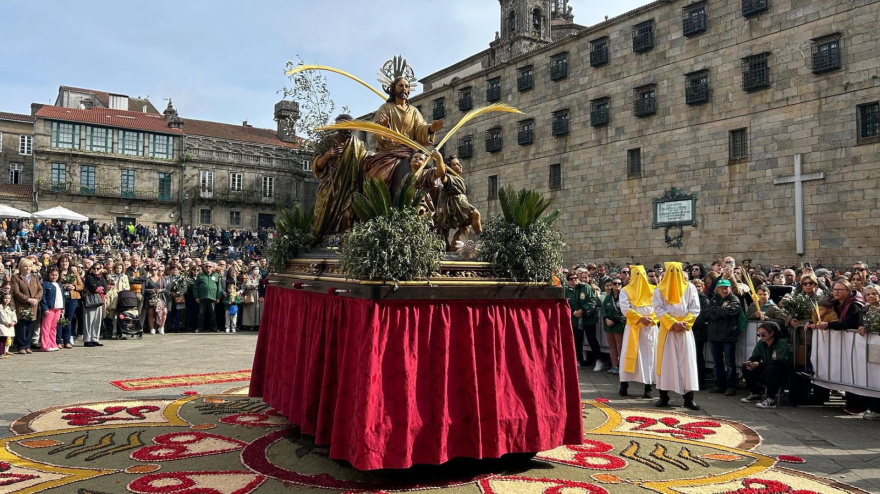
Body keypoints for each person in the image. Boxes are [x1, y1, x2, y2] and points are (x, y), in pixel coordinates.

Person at [363, 75, 444, 198]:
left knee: (434, 181)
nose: (404, 88)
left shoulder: (414, 111)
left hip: (410, 152)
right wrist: (384, 127)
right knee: (379, 178)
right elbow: (377, 130)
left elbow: (420, 129)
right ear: (394, 89)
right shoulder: (385, 108)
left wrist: (430, 129)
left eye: (407, 86)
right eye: (401, 85)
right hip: (390, 152)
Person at [310, 114, 368, 244]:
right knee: (322, 214)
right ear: (338, 127)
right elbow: (316, 166)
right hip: (330, 186)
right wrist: (327, 155)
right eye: (344, 127)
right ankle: (316, 238)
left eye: (350, 127)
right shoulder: (327, 142)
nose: (348, 130)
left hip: (349, 186)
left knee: (347, 215)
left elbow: (364, 161)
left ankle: (345, 243)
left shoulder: (358, 145)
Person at [652, 262, 701, 410]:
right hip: (668, 331)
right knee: (666, 362)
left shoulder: (690, 288)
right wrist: (672, 323)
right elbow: (658, 308)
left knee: (687, 363)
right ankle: (663, 395)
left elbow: (695, 307)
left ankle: (689, 397)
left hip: (684, 331)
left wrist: (685, 323)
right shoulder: (659, 289)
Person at [815, 279, 866, 414]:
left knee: (856, 373)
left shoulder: (854, 305)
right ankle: (851, 403)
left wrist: (829, 325)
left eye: (839, 290)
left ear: (848, 291)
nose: (836, 292)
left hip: (856, 343)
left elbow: (848, 324)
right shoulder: (837, 304)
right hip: (845, 344)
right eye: (835, 290)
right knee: (847, 372)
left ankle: (858, 405)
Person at [618, 265, 657, 398]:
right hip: (634, 328)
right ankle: (624, 385)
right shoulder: (625, 290)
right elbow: (625, 308)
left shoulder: (654, 290)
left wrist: (651, 319)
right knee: (628, 356)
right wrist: (640, 319)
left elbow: (659, 307)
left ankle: (648, 387)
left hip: (649, 328)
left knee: (649, 356)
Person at [741, 322, 793, 409]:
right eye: (759, 334)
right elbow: (755, 356)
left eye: (763, 334)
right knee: (746, 367)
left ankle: (771, 400)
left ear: (771, 333)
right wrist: (750, 362)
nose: (761, 337)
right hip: (767, 367)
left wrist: (759, 364)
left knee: (771, 368)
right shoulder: (761, 343)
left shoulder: (781, 343)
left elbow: (779, 361)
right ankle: (755, 393)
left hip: (781, 370)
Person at [435, 156, 482, 250]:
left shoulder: (459, 178)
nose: (460, 165)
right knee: (476, 214)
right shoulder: (449, 178)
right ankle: (481, 239)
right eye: (455, 164)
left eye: (459, 163)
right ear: (449, 168)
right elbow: (443, 178)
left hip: (462, 202)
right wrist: (440, 162)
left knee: (464, 229)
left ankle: (453, 248)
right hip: (456, 204)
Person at [706, 279, 741, 396]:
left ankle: (731, 386)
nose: (724, 290)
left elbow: (732, 311)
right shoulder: (714, 299)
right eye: (721, 288)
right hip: (714, 335)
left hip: (728, 336)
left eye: (726, 287)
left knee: (730, 364)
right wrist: (722, 311)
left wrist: (717, 311)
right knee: (717, 362)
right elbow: (708, 313)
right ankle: (719, 385)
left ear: (730, 288)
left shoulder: (734, 299)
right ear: (717, 289)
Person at [11, 258, 42, 354]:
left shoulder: (35, 277)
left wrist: (36, 299)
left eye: (29, 266)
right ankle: (21, 346)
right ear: (21, 267)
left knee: (31, 326)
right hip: (22, 304)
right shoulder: (16, 277)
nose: (27, 268)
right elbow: (16, 292)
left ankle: (28, 346)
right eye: (25, 266)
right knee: (22, 326)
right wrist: (28, 299)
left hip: (33, 305)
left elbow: (40, 289)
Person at [56, 255, 83, 349]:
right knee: (59, 319)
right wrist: (62, 286)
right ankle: (58, 341)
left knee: (68, 320)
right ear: (59, 263)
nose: (65, 263)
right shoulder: (57, 272)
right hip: (59, 298)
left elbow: (81, 286)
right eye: (63, 261)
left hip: (72, 298)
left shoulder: (74, 273)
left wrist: (74, 287)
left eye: (66, 261)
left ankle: (67, 341)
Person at [602, 277, 625, 375]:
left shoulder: (623, 297)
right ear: (611, 285)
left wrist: (614, 320)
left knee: (619, 347)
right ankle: (614, 365)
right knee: (611, 346)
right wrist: (606, 319)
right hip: (608, 325)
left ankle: (621, 367)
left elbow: (624, 311)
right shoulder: (608, 297)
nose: (617, 285)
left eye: (619, 284)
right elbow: (603, 309)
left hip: (619, 324)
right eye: (614, 284)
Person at [691, 279, 711, 390]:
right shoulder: (689, 299)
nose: (697, 288)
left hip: (698, 332)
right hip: (690, 331)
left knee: (698, 356)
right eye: (695, 286)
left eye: (699, 286)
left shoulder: (704, 300)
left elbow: (702, 317)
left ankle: (700, 382)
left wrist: (688, 323)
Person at [39, 267, 65, 352]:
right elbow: (43, 297)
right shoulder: (45, 284)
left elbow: (62, 297)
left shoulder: (59, 285)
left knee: (53, 327)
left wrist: (62, 307)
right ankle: (45, 345)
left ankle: (52, 344)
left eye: (56, 275)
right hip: (49, 308)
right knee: (46, 327)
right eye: (52, 275)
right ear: (48, 275)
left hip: (58, 308)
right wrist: (45, 308)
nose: (54, 277)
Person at [565, 272, 587, 368]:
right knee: (574, 341)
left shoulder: (584, 287)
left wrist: (581, 310)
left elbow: (591, 300)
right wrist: (573, 312)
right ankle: (575, 359)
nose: (574, 280)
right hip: (572, 319)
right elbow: (565, 303)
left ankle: (581, 359)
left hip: (584, 317)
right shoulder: (566, 290)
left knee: (582, 340)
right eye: (571, 279)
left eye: (575, 278)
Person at [82, 262, 108, 347]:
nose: (96, 270)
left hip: (99, 300)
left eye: (98, 268)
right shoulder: (89, 277)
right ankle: (87, 339)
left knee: (97, 320)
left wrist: (99, 288)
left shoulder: (101, 277)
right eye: (94, 268)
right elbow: (94, 287)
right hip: (91, 300)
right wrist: (99, 288)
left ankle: (95, 338)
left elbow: (105, 288)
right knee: (89, 320)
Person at [194, 262, 221, 333]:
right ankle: (199, 327)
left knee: (212, 313)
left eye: (209, 266)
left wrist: (218, 297)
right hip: (202, 297)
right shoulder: (200, 275)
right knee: (201, 313)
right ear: (204, 267)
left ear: (212, 268)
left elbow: (219, 287)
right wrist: (196, 296)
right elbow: (195, 287)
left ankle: (214, 328)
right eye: (206, 266)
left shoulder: (216, 275)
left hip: (212, 297)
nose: (208, 268)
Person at [240, 265, 261, 331]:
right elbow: (247, 285)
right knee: (251, 309)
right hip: (251, 293)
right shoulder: (248, 277)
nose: (256, 270)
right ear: (252, 270)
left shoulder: (260, 276)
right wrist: (256, 285)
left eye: (257, 269)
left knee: (258, 309)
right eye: (255, 269)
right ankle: (250, 324)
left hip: (258, 293)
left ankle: (257, 324)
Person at [0, 292, 16, 358]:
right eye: (5, 298)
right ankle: (1, 352)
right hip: (3, 325)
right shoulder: (0, 307)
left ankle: (4, 351)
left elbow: (14, 315)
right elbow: (2, 316)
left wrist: (14, 321)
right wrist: (9, 322)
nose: (7, 300)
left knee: (6, 338)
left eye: (9, 298)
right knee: (1, 339)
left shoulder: (10, 307)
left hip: (9, 326)